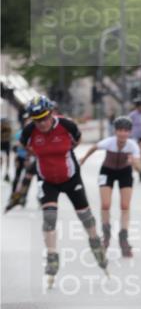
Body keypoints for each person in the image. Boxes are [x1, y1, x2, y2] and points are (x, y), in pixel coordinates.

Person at [18, 95, 108, 285]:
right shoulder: (28, 131)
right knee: (49, 217)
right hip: (47, 179)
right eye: (37, 120)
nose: (41, 123)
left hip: (70, 177)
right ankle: (52, 257)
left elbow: (76, 141)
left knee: (85, 216)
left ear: (51, 113)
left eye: (44, 117)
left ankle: (95, 243)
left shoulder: (67, 125)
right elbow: (26, 147)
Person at [78, 116, 141, 257]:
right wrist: (83, 158)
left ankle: (123, 237)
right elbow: (94, 148)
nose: (122, 134)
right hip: (107, 171)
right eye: (120, 130)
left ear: (130, 132)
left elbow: (139, 168)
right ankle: (106, 234)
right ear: (115, 131)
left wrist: (134, 163)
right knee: (106, 204)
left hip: (125, 172)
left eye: (126, 131)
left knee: (125, 206)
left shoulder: (132, 146)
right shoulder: (109, 142)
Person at [129, 101, 141, 180]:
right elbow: (128, 125)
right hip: (133, 137)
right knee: (133, 156)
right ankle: (130, 173)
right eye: (140, 106)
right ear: (137, 107)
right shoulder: (132, 115)